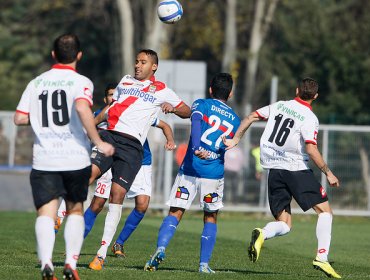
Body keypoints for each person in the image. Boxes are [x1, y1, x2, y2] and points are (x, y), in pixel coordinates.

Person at [13, 34, 114, 280]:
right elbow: (81, 107)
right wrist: (99, 141)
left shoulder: (36, 83)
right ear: (79, 55)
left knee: (46, 213)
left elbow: (19, 118)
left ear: (53, 55)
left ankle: (47, 263)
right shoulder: (81, 82)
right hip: (75, 158)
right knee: (75, 210)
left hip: (45, 159)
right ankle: (70, 264)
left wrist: (39, 119)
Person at [223, 77, 341, 278]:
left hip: (274, 170)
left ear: (296, 90)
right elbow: (311, 149)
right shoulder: (309, 117)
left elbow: (251, 116)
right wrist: (328, 172)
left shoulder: (280, 106)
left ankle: (264, 233)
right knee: (325, 212)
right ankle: (322, 258)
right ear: (315, 96)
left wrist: (235, 139)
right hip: (295, 169)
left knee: (285, 223)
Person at [144, 73, 241, 273]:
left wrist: (196, 147)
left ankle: (161, 248)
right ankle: (203, 265)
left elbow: (195, 123)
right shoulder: (235, 119)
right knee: (210, 216)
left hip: (189, 169)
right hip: (213, 174)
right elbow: (226, 145)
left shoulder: (201, 104)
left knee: (176, 212)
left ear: (210, 90)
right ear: (230, 94)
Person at [87, 119, 176, 270]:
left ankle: (119, 243)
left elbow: (165, 124)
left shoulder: (141, 107)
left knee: (142, 205)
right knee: (98, 203)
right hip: (113, 155)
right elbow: (91, 122)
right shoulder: (109, 112)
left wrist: (170, 140)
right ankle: (76, 245)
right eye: (109, 94)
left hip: (141, 160)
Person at [54, 83, 117, 232]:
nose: (113, 97)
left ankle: (79, 238)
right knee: (83, 181)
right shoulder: (97, 115)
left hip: (112, 164)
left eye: (116, 94)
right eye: (110, 95)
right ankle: (59, 216)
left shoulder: (124, 116)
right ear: (105, 98)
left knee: (98, 204)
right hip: (97, 156)